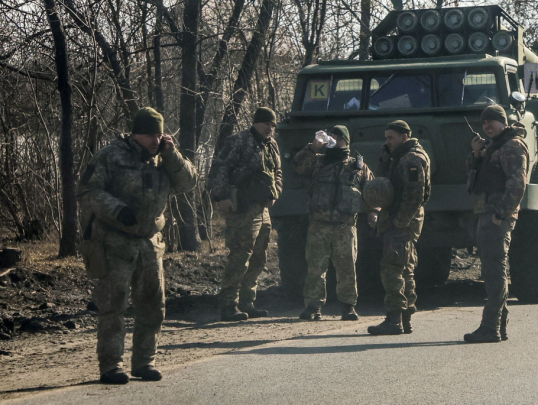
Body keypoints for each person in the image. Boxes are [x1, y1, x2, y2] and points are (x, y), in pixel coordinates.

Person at [77, 107, 198, 384]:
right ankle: (111, 366)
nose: (154, 140)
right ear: (135, 134)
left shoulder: (165, 158)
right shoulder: (111, 155)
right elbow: (87, 191)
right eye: (148, 135)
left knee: (153, 305)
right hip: (114, 241)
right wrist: (117, 210)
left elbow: (189, 182)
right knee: (113, 305)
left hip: (150, 242)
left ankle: (144, 362)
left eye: (158, 134)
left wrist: (172, 155)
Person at [292, 125, 377, 321]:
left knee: (347, 268)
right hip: (319, 225)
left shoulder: (359, 166)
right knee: (315, 268)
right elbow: (297, 166)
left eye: (339, 138)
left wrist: (373, 211)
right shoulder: (317, 163)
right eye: (332, 137)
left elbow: (371, 191)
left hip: (345, 227)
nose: (334, 141)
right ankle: (313, 306)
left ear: (346, 141)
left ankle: (348, 307)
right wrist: (313, 148)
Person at [208, 107, 283, 321]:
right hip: (241, 208)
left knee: (259, 257)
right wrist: (222, 196)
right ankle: (228, 304)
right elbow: (220, 167)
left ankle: (247, 302)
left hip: (263, 209)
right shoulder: (238, 141)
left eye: (273, 125)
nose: (270, 128)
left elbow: (278, 172)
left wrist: (275, 192)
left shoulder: (272, 145)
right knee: (240, 256)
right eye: (267, 123)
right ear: (257, 123)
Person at [464, 105, 529, 343]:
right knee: (493, 271)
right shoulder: (494, 146)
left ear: (503, 122)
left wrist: (500, 215)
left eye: (492, 122)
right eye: (484, 123)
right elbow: (474, 177)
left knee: (493, 272)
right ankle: (498, 326)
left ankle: (490, 327)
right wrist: (476, 155)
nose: (487, 126)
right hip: (487, 214)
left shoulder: (511, 146)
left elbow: (517, 185)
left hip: (496, 216)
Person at [367, 120, 431, 335]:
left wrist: (399, 222)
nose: (387, 142)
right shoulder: (399, 157)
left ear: (404, 136)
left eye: (391, 137)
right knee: (405, 268)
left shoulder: (412, 158)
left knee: (392, 269)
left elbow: (415, 195)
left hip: (402, 221)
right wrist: (385, 157)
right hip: (400, 220)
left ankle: (394, 318)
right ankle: (405, 318)